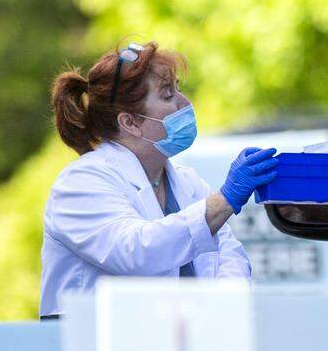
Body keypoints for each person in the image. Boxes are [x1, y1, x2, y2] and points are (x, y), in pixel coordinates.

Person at [39, 42, 277, 317]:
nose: (185, 104)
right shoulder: (81, 183)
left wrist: (219, 311)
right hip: (88, 348)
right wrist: (224, 201)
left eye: (179, 89)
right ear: (130, 122)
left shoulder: (188, 183)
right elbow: (136, 251)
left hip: (177, 345)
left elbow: (230, 255)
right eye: (168, 95)